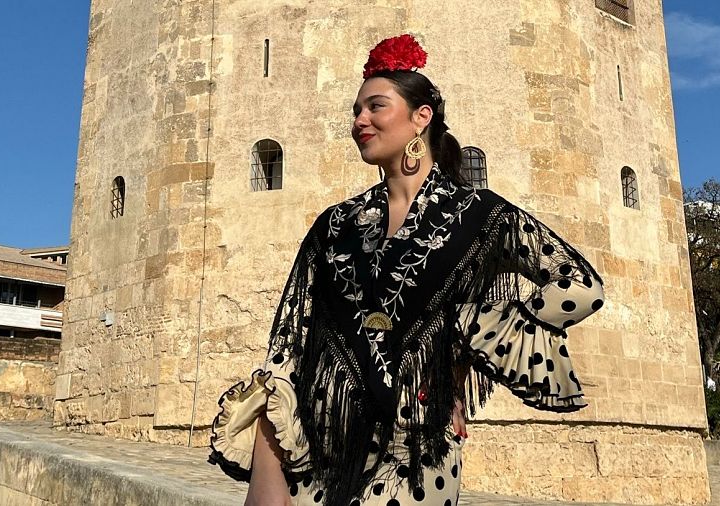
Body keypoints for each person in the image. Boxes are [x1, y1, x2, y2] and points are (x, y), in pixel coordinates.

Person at [208, 34, 605, 506]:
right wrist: (267, 477)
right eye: (356, 110)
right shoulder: (334, 227)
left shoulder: (479, 215)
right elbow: (288, 350)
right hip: (316, 460)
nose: (360, 121)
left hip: (416, 455)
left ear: (422, 117)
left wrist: (467, 338)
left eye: (376, 106)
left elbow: (582, 285)